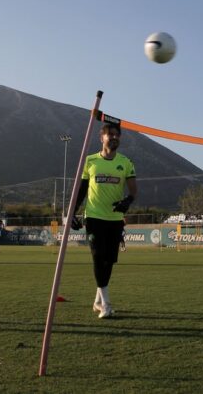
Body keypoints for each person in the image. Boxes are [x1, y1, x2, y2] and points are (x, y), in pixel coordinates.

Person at [72, 123, 137, 319]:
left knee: (108, 261)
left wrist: (127, 201)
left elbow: (133, 190)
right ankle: (106, 304)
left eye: (117, 135)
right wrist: (72, 212)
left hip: (115, 219)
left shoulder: (126, 162)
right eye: (110, 134)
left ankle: (98, 301)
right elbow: (81, 190)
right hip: (94, 218)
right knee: (98, 257)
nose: (114, 137)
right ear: (102, 138)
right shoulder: (90, 161)